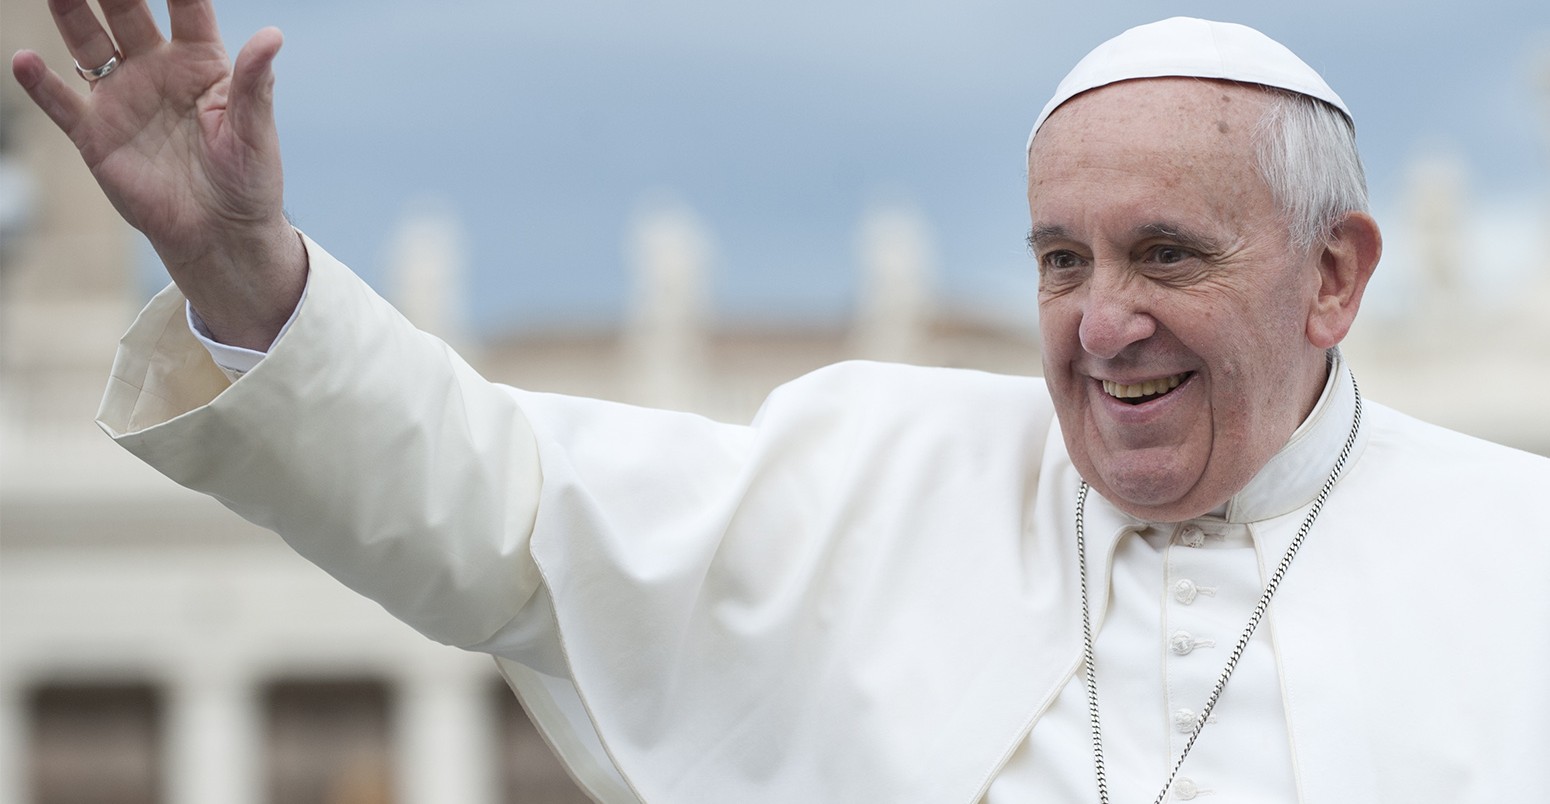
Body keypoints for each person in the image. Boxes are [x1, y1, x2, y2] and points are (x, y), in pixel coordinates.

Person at [13, 4, 1550, 802]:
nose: (1099, 323)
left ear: (1334, 276)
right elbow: (507, 513)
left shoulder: (1518, 563)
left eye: (1165, 256)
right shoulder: (879, 474)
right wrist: (241, 271)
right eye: (1057, 260)